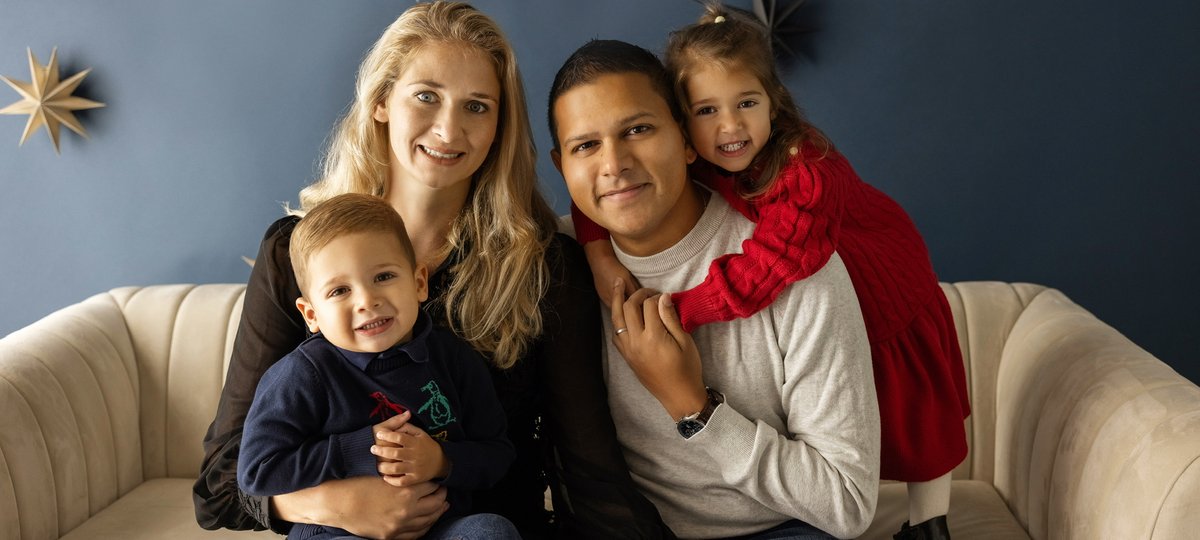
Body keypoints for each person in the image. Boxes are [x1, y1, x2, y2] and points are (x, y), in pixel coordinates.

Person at [194, 3, 670, 539]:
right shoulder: (296, 255)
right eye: (426, 96)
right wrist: (333, 505)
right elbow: (220, 488)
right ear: (380, 103)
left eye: (476, 106)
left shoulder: (544, 267)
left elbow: (588, 467)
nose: (448, 128)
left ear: (498, 128)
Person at [569, 6, 970, 538]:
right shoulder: (696, 160)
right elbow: (599, 185)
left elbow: (767, 268)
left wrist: (677, 314)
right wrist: (597, 254)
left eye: (747, 104)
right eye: (707, 110)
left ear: (773, 103)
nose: (729, 125)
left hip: (884, 280)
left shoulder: (806, 179)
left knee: (920, 420)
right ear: (688, 127)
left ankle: (930, 524)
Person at [549, 39, 880, 540]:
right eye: (585, 146)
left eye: (637, 130)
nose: (613, 164)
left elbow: (847, 502)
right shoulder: (555, 267)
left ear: (686, 140)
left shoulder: (792, 262)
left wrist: (693, 408)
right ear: (562, 167)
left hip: (780, 529)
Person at [236, 193, 518, 540]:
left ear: (418, 283)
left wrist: (441, 461)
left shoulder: (453, 358)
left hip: (440, 528)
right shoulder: (302, 375)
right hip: (336, 531)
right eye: (340, 290)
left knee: (491, 531)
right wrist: (355, 450)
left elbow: (497, 453)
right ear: (311, 315)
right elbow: (257, 472)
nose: (367, 301)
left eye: (383, 276)